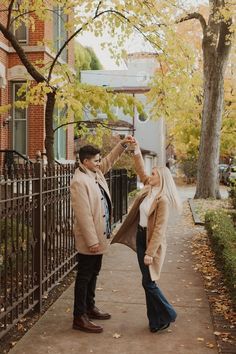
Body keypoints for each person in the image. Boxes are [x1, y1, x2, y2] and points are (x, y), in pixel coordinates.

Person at [111, 140, 182, 333]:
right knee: (148, 281)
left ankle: (168, 313)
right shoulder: (149, 189)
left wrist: (150, 252)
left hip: (152, 243)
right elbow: (141, 170)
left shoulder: (163, 200)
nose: (149, 176)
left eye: (153, 174)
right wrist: (135, 150)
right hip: (141, 238)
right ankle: (155, 321)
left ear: (161, 178)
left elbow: (159, 229)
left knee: (148, 282)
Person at [70, 135, 135, 333]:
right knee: (84, 276)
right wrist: (91, 242)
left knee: (94, 273)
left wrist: (122, 144)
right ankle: (79, 317)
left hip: (100, 236)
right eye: (96, 160)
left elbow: (109, 160)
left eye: (99, 160)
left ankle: (89, 307)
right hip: (90, 240)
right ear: (85, 161)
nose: (100, 162)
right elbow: (83, 216)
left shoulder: (94, 172)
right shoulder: (79, 181)